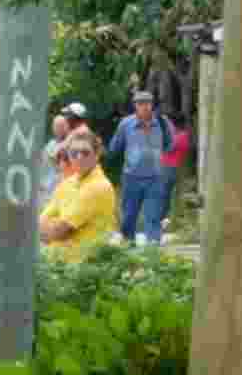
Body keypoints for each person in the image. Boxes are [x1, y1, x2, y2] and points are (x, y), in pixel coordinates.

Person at [107, 90, 174, 244]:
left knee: (153, 216)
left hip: (156, 177)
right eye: (140, 103)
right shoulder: (126, 124)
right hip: (131, 177)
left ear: (152, 104)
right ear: (135, 106)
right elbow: (115, 147)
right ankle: (128, 248)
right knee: (128, 217)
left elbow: (170, 145)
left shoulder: (163, 123)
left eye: (147, 103)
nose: (144, 107)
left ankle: (153, 251)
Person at [39, 130, 117, 262]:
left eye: (85, 152)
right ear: (69, 156)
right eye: (74, 153)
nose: (79, 157)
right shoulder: (67, 183)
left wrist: (50, 228)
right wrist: (48, 228)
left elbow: (59, 231)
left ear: (97, 155)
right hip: (57, 263)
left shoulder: (98, 186)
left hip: (83, 269)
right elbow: (42, 221)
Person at [158, 112, 190, 224]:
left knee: (163, 194)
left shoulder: (181, 136)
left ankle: (161, 219)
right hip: (166, 166)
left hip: (169, 167)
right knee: (163, 194)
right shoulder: (179, 135)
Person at [40, 114, 70, 206]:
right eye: (56, 126)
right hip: (46, 187)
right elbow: (43, 161)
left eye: (61, 126)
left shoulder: (69, 143)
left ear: (66, 127)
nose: (57, 129)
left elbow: (56, 161)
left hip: (60, 188)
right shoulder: (51, 143)